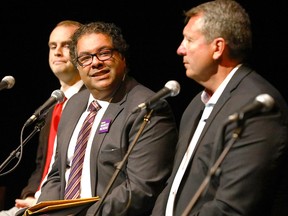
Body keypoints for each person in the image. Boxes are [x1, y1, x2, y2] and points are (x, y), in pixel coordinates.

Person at [151, 0, 288, 216]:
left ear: (218, 48)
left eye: (189, 40)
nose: (180, 49)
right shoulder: (197, 103)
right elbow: (174, 185)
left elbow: (233, 206)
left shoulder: (257, 107)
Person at [29, 21, 179, 216]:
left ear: (122, 57)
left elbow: (141, 189)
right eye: (85, 58)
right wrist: (44, 212)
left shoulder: (148, 108)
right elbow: (57, 175)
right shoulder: (73, 105)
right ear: (78, 66)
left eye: (104, 53)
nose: (96, 62)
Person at [0, 20, 84, 216]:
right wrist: (31, 194)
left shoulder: (91, 104)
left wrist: (43, 201)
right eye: (53, 46)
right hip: (36, 203)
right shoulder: (52, 104)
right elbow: (42, 164)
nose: (57, 52)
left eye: (66, 45)